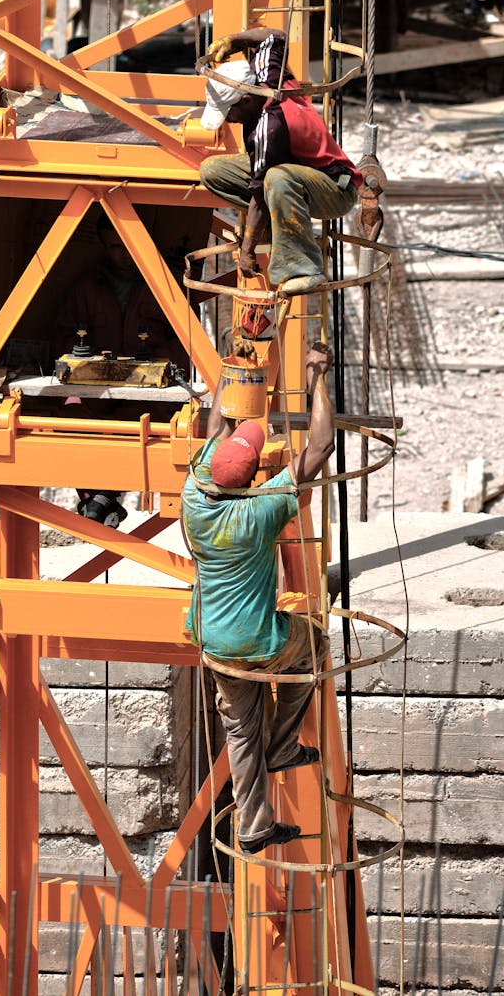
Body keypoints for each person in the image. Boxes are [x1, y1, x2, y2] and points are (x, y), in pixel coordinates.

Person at [181, 342, 334, 855]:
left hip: (213, 642)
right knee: (312, 645)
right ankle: (286, 744)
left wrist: (241, 367)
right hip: (257, 642)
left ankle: (253, 827)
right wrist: (315, 377)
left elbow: (217, 426)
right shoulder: (261, 512)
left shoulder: (195, 493)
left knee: (241, 733)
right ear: (251, 480)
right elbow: (320, 447)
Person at [196, 27, 362, 296]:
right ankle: (282, 232)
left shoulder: (269, 130)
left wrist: (247, 249)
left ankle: (303, 268)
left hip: (335, 188)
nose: (228, 121)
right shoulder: (267, 74)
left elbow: (260, 197)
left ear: (246, 99)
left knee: (275, 178)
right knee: (213, 170)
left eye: (229, 113)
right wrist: (234, 40)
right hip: (298, 173)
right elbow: (277, 37)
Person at [56, 209, 187, 524]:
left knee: (143, 422)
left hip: (148, 394)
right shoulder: (86, 288)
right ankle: (99, 498)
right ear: (103, 247)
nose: (123, 254)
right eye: (114, 247)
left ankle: (100, 500)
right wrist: (87, 359)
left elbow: (188, 343)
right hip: (95, 393)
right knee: (69, 413)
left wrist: (151, 362)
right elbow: (61, 338)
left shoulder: (166, 288)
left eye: (127, 244)